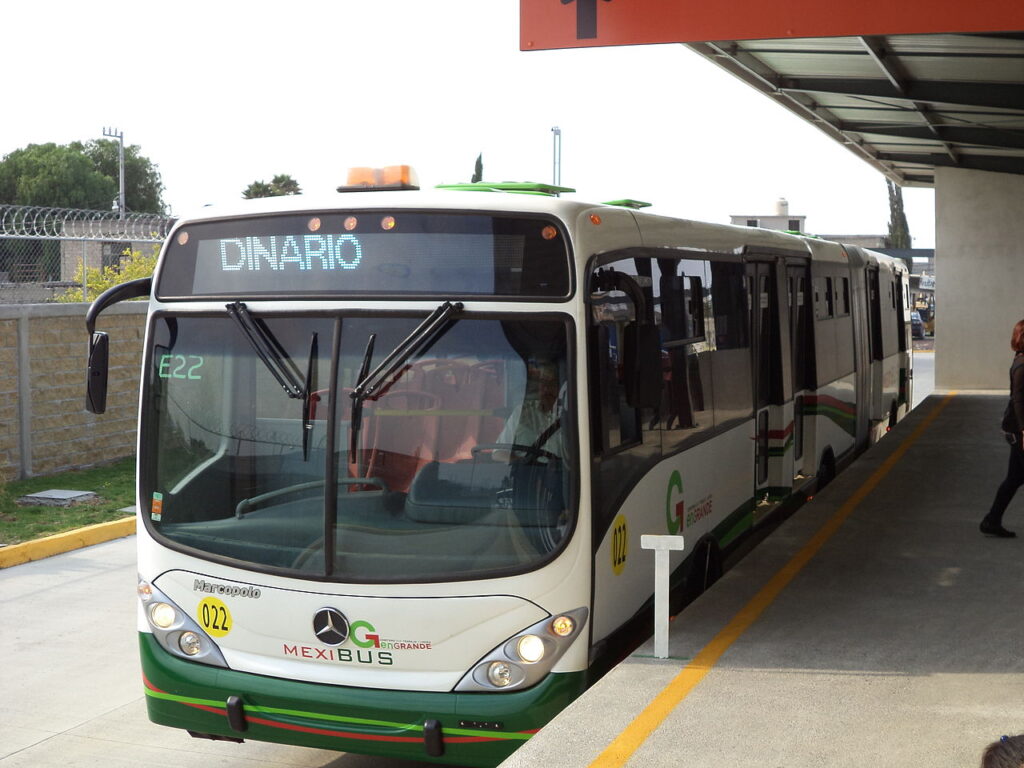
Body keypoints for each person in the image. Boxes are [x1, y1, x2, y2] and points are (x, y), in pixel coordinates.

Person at [981, 319, 1024, 537]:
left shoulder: (1020, 360)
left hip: (1015, 430)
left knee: (1014, 479)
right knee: (1014, 479)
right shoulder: (1022, 365)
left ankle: (992, 520)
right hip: (1019, 431)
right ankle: (991, 520)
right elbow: (1018, 400)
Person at [494, 360, 564, 461]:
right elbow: (498, 453)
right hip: (526, 475)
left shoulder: (570, 416)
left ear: (561, 387)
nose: (546, 389)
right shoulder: (522, 412)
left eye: (552, 384)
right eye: (542, 383)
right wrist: (522, 463)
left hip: (559, 475)